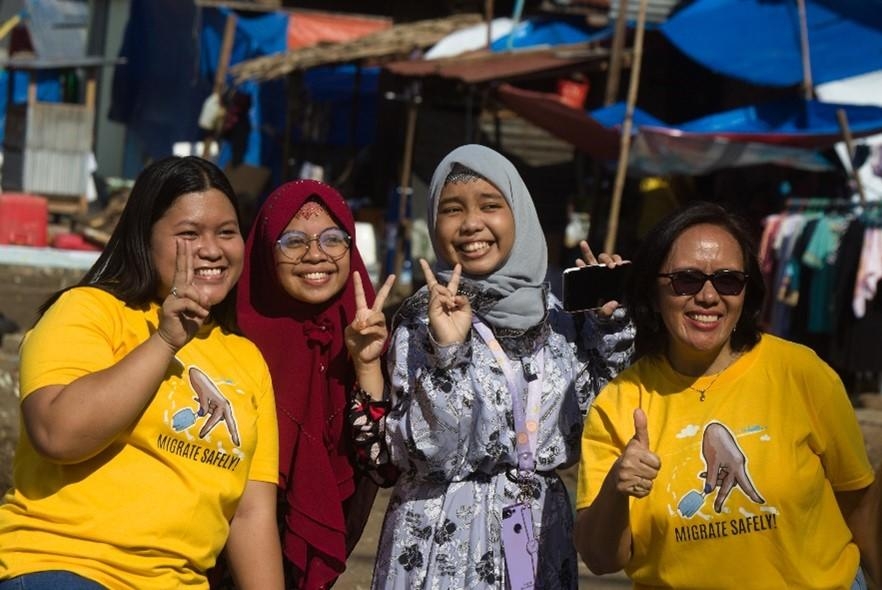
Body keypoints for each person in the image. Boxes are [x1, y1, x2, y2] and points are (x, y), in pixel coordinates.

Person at [347, 144, 634, 589]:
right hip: (438, 544)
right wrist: (448, 352)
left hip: (539, 534)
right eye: (453, 209)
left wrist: (609, 330)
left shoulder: (560, 318)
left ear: (519, 212)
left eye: (490, 205)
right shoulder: (420, 321)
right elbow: (431, 452)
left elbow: (598, 425)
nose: (471, 224)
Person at [0, 156, 283, 590]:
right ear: (143, 238)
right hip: (63, 565)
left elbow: (250, 514)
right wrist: (164, 342)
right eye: (188, 233)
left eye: (226, 232)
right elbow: (57, 433)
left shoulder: (247, 360)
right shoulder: (89, 311)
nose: (212, 249)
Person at [575, 201, 875, 589]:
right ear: (654, 288)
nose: (708, 296)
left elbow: (860, 504)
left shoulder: (802, 372)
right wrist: (618, 486)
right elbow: (600, 559)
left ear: (747, 292)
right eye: (687, 279)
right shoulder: (619, 402)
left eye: (728, 280)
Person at [236, 179, 395, 589]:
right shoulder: (233, 337)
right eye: (293, 241)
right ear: (266, 251)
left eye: (333, 239)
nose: (316, 255)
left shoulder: (366, 332)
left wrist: (366, 365)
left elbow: (383, 465)